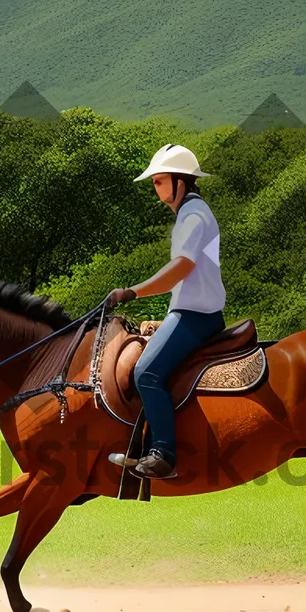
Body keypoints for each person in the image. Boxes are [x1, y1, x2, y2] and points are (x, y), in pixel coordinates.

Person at [105, 144, 226, 480]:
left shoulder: (193, 215)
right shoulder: (191, 213)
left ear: (181, 181)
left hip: (197, 317)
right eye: (155, 182)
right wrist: (165, 318)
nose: (156, 189)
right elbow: (195, 278)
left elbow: (182, 268)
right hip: (191, 311)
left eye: (160, 181)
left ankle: (164, 455)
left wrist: (132, 292)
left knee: (146, 373)